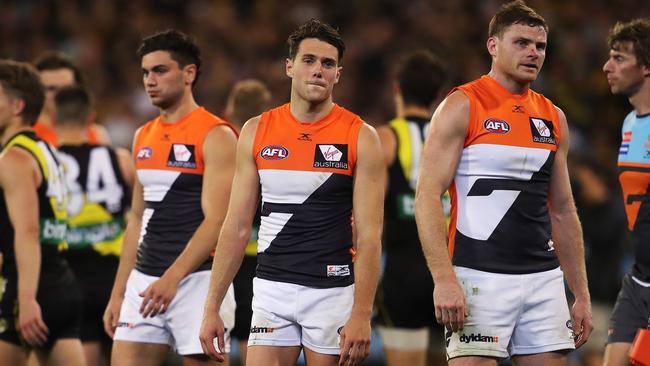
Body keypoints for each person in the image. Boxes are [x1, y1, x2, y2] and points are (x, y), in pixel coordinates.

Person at [414, 1, 593, 365]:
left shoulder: (552, 116)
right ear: (493, 46)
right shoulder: (463, 105)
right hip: (478, 276)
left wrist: (581, 293)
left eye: (540, 46)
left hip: (543, 279)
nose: (533, 53)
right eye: (521, 42)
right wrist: (444, 279)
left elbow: (562, 210)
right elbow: (427, 195)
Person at [199, 19, 384, 366]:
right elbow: (236, 226)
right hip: (271, 289)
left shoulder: (361, 136)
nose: (318, 71)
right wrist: (212, 308)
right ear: (289, 67)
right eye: (309, 60)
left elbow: (371, 235)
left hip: (332, 294)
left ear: (338, 74)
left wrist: (362, 313)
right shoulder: (256, 131)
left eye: (328, 64)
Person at [101, 29, 238, 366]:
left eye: (160, 70)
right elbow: (136, 217)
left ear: (189, 73)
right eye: (146, 72)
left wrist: (172, 279)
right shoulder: (142, 136)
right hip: (145, 281)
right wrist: (120, 291)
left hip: (199, 282)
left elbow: (218, 220)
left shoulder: (216, 135)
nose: (150, 80)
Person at [0, 60, 85, 366]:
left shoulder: (14, 159)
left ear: (17, 105)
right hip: (61, 282)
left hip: (27, 287)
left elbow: (27, 231)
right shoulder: (45, 150)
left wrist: (25, 299)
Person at [374, 50, 447, 366]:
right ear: (436, 95)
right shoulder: (451, 138)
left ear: (397, 88)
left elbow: (369, 215)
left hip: (403, 274)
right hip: (449, 273)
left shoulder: (386, 138)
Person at [54, 85, 135, 366]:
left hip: (67, 278)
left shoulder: (45, 163)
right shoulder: (120, 159)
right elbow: (139, 216)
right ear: (91, 116)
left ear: (54, 118)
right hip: (114, 278)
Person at [602, 17, 650, 366]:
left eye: (619, 58)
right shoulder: (630, 123)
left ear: (646, 66)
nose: (608, 66)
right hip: (638, 278)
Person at [223, 79, 272, 366]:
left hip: (231, 260)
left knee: (220, 341)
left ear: (229, 112)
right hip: (266, 264)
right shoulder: (277, 153)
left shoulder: (220, 152)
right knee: (258, 345)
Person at [32, 51, 110, 146]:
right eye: (51, 88)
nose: (60, 94)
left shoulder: (97, 134)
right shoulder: (28, 136)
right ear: (36, 91)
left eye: (67, 87)